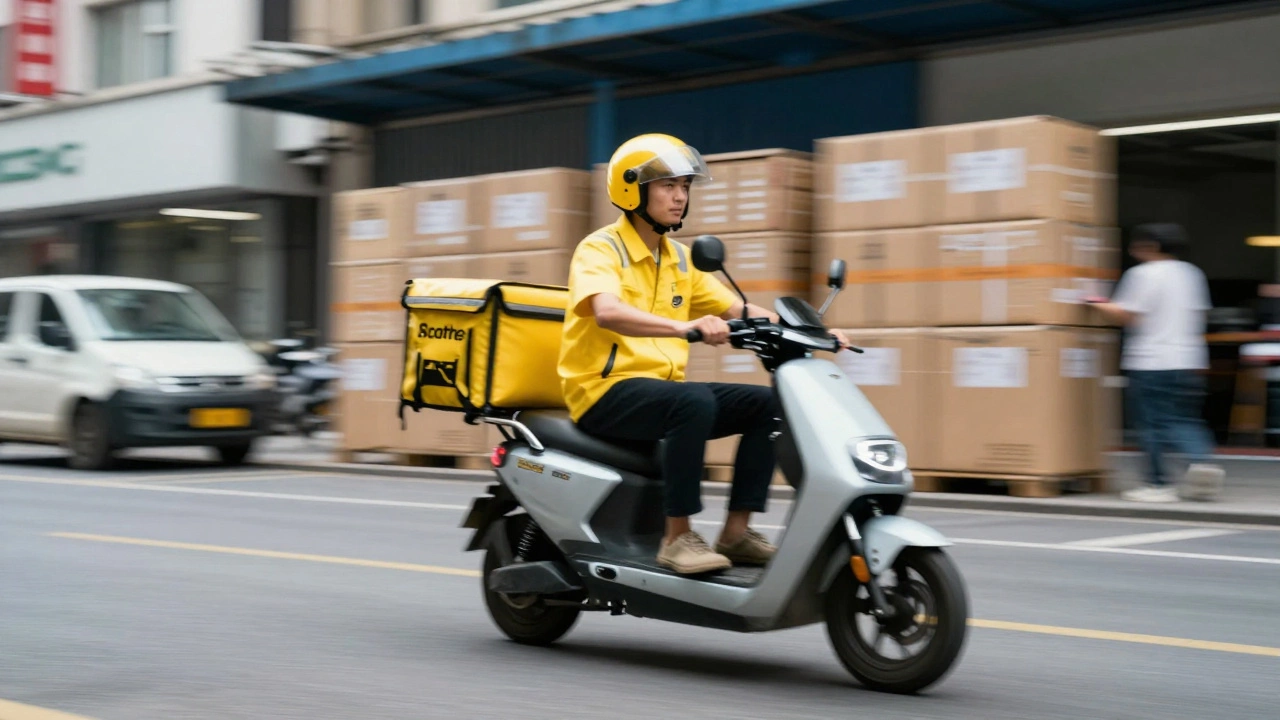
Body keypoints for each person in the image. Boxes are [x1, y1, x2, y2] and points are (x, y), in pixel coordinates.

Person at [557, 133, 848, 574]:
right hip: (602, 392)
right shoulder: (601, 249)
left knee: (768, 404)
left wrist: (812, 333)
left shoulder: (680, 258)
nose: (679, 197)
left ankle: (734, 533)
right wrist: (684, 326)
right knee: (694, 401)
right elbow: (607, 311)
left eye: (685, 187)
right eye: (667, 186)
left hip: (659, 391)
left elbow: (739, 309)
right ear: (632, 189)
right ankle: (676, 538)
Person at [1086, 223, 1225, 502]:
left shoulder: (1143, 274)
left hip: (1151, 361)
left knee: (1151, 424)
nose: (1133, 250)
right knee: (1183, 418)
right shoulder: (1191, 274)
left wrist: (1096, 302)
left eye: (1138, 244)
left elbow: (1128, 315)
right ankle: (1202, 461)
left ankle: (1158, 484)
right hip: (1188, 359)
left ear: (1152, 246)